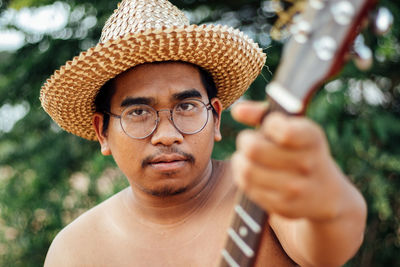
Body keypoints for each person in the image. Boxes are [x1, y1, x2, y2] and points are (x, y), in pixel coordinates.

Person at [41, 0, 367, 266]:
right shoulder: (75, 251)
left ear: (216, 118)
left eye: (186, 107)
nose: (167, 135)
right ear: (103, 132)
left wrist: (330, 199)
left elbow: (329, 245)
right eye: (138, 112)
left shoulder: (265, 197)